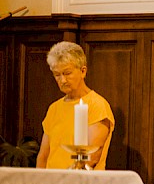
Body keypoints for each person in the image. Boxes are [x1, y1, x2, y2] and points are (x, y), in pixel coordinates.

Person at [36, 42, 115, 170]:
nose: (62, 80)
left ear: (83, 71)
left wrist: (67, 180)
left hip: (81, 183)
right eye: (57, 74)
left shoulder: (97, 105)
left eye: (67, 73)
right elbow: (43, 156)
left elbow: (92, 156)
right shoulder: (54, 108)